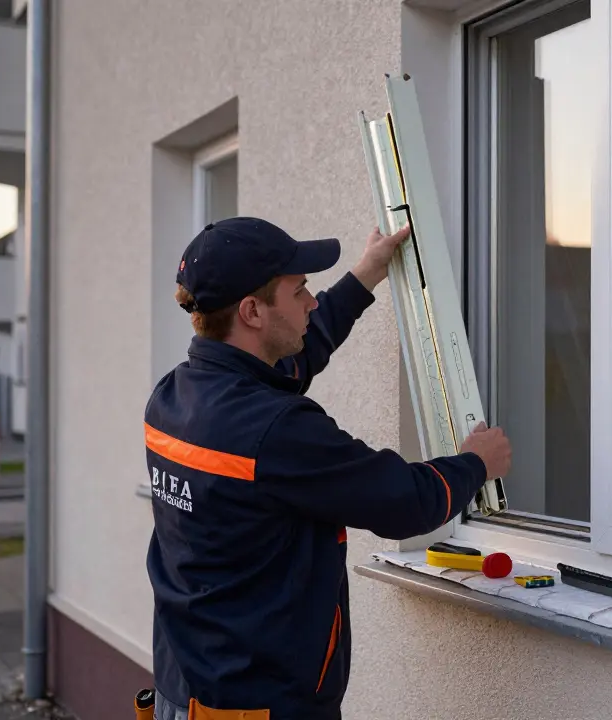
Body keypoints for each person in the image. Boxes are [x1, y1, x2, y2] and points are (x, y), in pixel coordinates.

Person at [140, 216, 511, 719]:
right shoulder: (277, 431)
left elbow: (294, 358)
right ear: (252, 311)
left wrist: (366, 274)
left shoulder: (173, 397)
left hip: (182, 687)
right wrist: (476, 463)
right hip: (257, 707)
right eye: (299, 291)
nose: (312, 302)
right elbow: (405, 503)